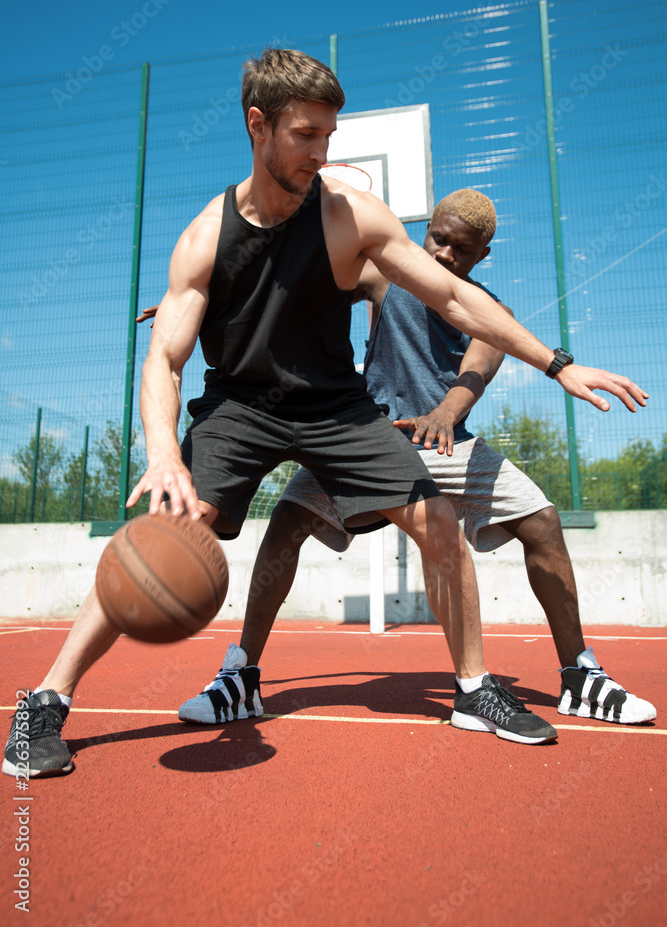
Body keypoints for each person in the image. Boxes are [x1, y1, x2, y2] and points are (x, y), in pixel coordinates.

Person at [3, 49, 648, 777]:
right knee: (160, 536)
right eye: (306, 135)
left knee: (436, 523)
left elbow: (455, 298)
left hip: (335, 408)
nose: (321, 152)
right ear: (258, 125)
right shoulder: (204, 238)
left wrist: (558, 365)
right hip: (241, 406)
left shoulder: (350, 217)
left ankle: (472, 689)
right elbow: (164, 359)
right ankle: (48, 703)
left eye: (329, 136)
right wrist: (162, 452)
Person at [176, 189, 656, 732]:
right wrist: (214, 303)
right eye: (440, 239)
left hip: (447, 443)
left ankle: (580, 677)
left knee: (542, 520)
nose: (446, 254)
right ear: (427, 229)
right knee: (287, 521)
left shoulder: (493, 312)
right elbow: (298, 289)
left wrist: (446, 412)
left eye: (462, 249)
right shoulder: (386, 276)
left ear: (483, 255)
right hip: (365, 437)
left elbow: (475, 370)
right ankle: (241, 676)